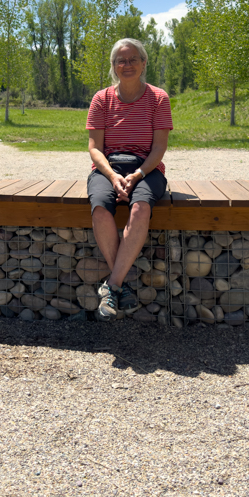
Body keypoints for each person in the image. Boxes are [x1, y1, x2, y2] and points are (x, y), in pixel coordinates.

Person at [85, 38, 173, 321]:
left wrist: (136, 176)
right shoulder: (101, 99)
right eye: (121, 60)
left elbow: (159, 148)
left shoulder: (158, 98)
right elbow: (94, 148)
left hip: (146, 169)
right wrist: (112, 176)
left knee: (140, 207)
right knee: (99, 207)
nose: (127, 65)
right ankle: (120, 286)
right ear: (113, 66)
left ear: (144, 63)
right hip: (108, 168)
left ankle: (112, 286)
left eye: (133, 59)